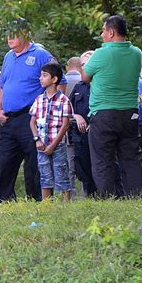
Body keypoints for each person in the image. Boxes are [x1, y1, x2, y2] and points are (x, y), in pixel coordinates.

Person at [0, 17, 60, 202]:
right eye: (7, 34)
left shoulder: (40, 54)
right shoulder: (8, 56)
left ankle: (37, 199)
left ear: (26, 33)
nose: (10, 38)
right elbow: (3, 86)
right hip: (8, 119)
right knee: (4, 162)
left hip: (31, 117)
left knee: (34, 163)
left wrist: (51, 110)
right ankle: (3, 200)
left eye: (14, 34)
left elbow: (59, 82)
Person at [81, 15, 142, 197]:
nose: (101, 34)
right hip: (130, 113)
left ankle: (107, 197)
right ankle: (136, 195)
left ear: (111, 32)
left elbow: (84, 77)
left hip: (104, 113)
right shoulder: (137, 53)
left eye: (103, 30)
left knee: (102, 159)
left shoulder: (101, 53)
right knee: (132, 158)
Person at [30, 62, 73, 200]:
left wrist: (53, 145)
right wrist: (37, 139)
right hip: (41, 144)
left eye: (44, 75)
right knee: (44, 174)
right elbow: (32, 122)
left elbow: (65, 125)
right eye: (40, 75)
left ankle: (66, 204)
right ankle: (47, 204)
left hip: (58, 144)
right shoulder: (38, 99)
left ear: (54, 79)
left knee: (61, 173)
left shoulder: (64, 100)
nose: (40, 78)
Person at [68, 53, 98, 197]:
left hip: (99, 135)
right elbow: (67, 108)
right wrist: (76, 116)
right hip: (80, 137)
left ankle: (107, 197)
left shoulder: (101, 85)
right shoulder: (79, 87)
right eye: (82, 65)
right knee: (82, 170)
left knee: (102, 168)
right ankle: (89, 198)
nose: (84, 68)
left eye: (88, 64)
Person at [64, 56, 84, 197]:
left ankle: (69, 196)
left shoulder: (60, 81)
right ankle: (87, 194)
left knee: (69, 166)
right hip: (84, 127)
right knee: (85, 163)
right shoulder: (84, 81)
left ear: (67, 67)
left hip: (66, 130)